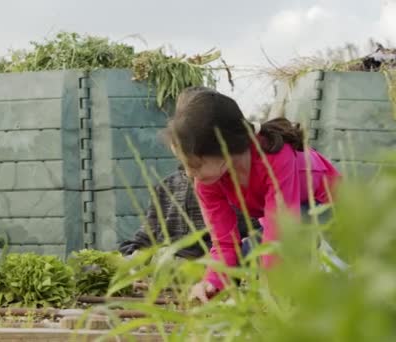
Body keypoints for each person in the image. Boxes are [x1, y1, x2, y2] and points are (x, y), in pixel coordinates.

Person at [163, 87, 344, 303]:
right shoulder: (208, 182)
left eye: (195, 164)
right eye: (185, 166)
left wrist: (271, 291)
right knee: (247, 258)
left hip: (330, 214)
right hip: (287, 221)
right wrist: (211, 282)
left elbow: (282, 232)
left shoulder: (277, 159)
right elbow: (225, 244)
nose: (190, 173)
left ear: (224, 149)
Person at [118, 165, 262, 259]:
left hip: (215, 267)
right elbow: (146, 237)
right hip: (166, 267)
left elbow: (253, 235)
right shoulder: (166, 186)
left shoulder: (234, 185)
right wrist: (133, 254)